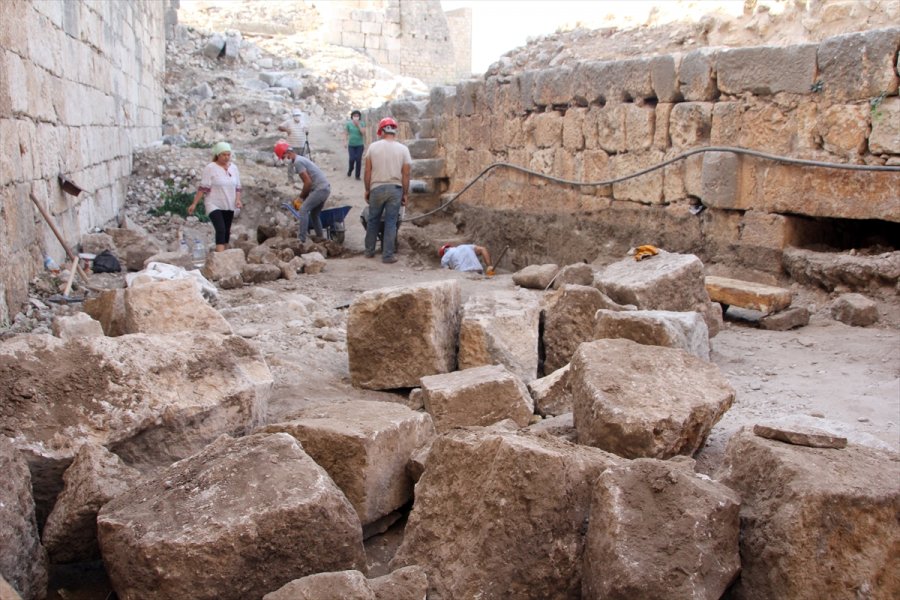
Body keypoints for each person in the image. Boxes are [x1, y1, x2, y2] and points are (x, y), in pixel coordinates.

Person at [363, 117, 411, 264]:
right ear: (395, 131)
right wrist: (405, 193)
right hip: (395, 189)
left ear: (381, 131)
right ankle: (388, 255)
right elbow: (406, 174)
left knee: (373, 220)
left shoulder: (373, 147)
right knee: (391, 222)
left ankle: (369, 251)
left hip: (376, 188)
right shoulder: (403, 149)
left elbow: (367, 172)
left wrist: (367, 190)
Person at [188, 141, 242, 252]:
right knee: (220, 229)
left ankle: (225, 254)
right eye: (224, 155)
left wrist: (238, 199)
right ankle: (220, 256)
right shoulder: (211, 168)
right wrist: (194, 203)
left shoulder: (234, 168)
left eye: (228, 154)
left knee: (226, 230)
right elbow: (204, 187)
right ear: (218, 155)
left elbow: (238, 186)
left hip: (229, 203)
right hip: (213, 203)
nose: (227, 157)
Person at [274, 140, 330, 243]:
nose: (284, 160)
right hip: (325, 188)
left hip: (320, 188)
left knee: (303, 210)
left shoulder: (298, 162)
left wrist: (300, 198)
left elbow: (307, 183)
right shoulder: (301, 159)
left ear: (288, 153)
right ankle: (320, 238)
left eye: (283, 157)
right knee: (314, 214)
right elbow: (309, 182)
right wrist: (303, 197)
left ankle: (301, 240)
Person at [344, 110, 366, 180]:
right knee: (352, 159)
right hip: (351, 145)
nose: (356, 117)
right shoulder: (348, 124)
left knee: (358, 159)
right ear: (352, 117)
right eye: (354, 116)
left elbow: (363, 133)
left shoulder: (362, 123)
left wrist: (358, 125)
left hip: (360, 145)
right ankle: (350, 169)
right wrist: (345, 142)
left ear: (359, 117)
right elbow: (346, 133)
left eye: (357, 116)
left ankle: (357, 175)